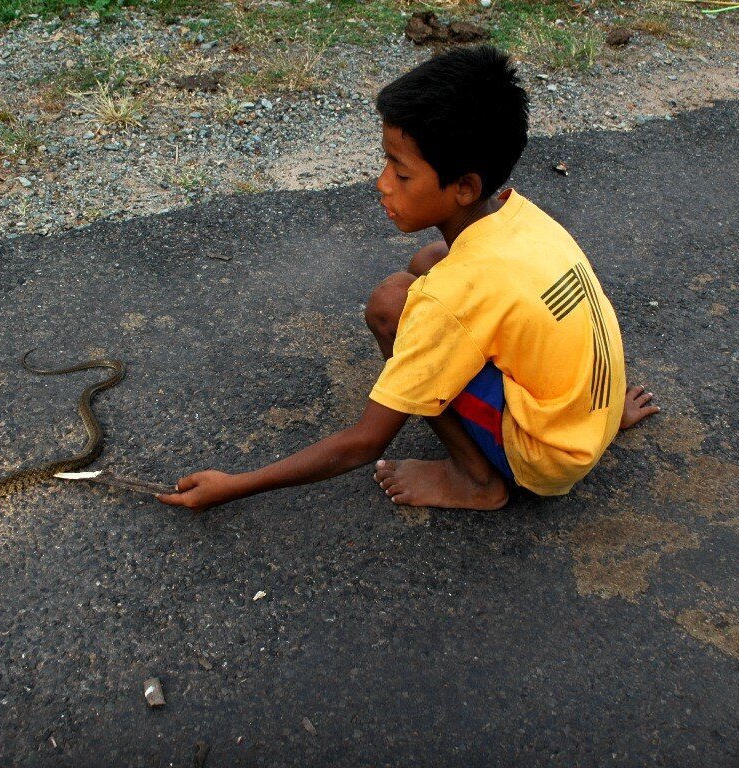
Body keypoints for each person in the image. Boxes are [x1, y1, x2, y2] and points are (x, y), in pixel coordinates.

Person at [157, 45, 658, 513]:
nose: (381, 183)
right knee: (424, 262)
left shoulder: (451, 297)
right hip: (586, 416)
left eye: (401, 173)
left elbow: (363, 444)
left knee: (391, 306)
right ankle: (594, 426)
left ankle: (477, 481)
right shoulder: (519, 217)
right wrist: (603, 419)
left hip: (545, 461)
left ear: (464, 187)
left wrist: (233, 486)